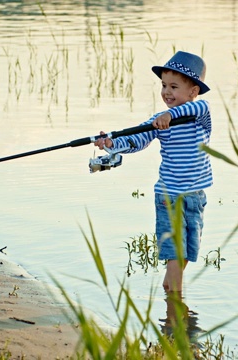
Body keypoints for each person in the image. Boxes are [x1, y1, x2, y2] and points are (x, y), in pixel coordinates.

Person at [94, 51, 212, 295]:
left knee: (189, 250)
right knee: (175, 251)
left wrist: (170, 115)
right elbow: (137, 140)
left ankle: (170, 290)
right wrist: (111, 143)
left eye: (174, 87)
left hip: (195, 196)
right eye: (164, 86)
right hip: (169, 195)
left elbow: (200, 107)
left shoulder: (200, 115)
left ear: (193, 91)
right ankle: (176, 303)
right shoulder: (159, 121)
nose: (167, 92)